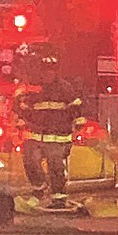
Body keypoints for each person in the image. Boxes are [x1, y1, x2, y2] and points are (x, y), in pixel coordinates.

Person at [16, 50, 83, 205]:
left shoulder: (65, 89)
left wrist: (77, 124)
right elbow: (22, 108)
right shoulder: (32, 89)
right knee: (30, 161)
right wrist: (20, 118)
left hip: (58, 136)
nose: (48, 74)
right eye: (45, 71)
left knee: (55, 165)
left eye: (51, 71)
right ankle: (38, 191)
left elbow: (77, 108)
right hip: (35, 134)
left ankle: (58, 197)